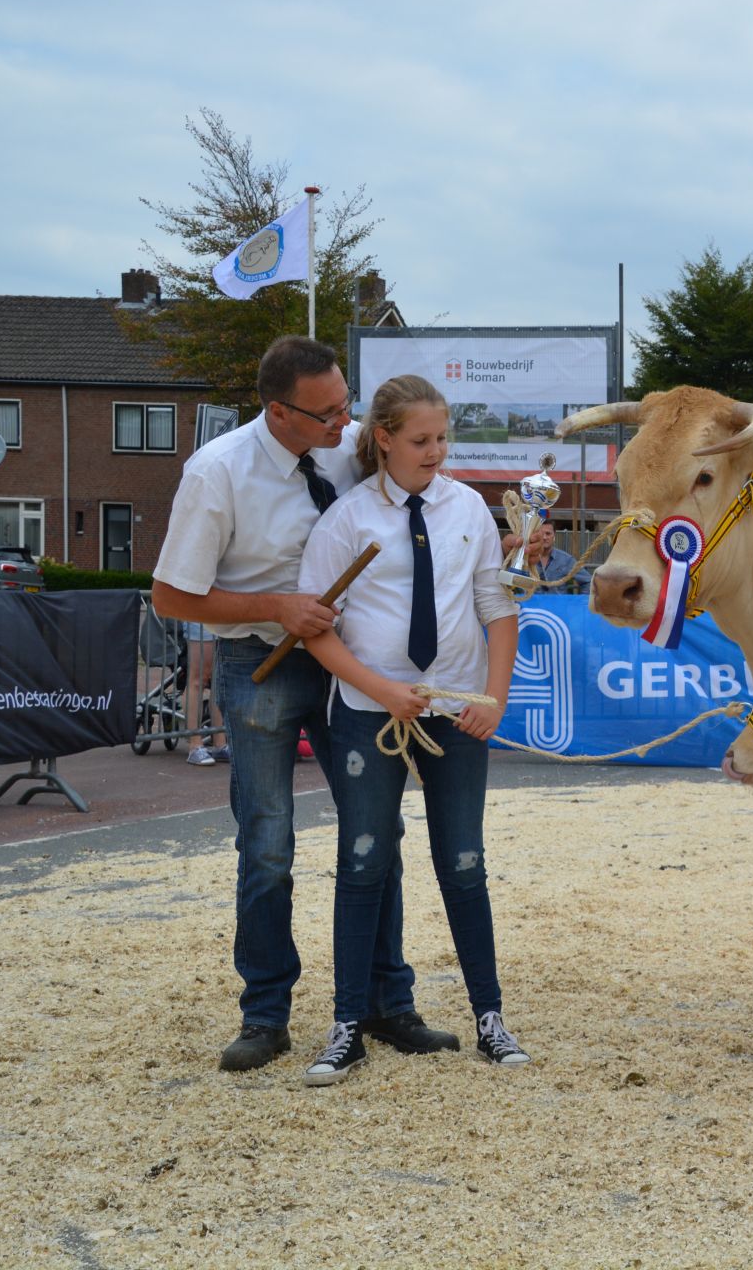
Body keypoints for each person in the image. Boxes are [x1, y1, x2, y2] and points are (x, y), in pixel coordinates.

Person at [152, 336, 453, 1071]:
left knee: (377, 835)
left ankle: (386, 1002)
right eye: (325, 414)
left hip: (356, 655)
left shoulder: (349, 444)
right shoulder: (216, 472)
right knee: (268, 842)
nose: (343, 426)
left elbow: (428, 493)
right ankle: (265, 1015)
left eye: (347, 406)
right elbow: (170, 595)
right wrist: (275, 607)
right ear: (277, 411)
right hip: (266, 660)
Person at [295, 374, 528, 1085]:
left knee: (464, 863)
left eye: (442, 439)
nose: (435, 452)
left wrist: (494, 695)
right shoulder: (347, 520)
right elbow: (317, 630)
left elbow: (496, 604)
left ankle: (490, 1017)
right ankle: (346, 1024)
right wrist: (381, 691)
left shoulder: (468, 508)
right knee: (362, 863)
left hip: (455, 710)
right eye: (421, 440)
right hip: (370, 717)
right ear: (385, 438)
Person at [181, 618, 229, 766]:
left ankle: (220, 744)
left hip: (221, 616)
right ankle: (195, 745)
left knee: (218, 678)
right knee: (199, 678)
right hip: (199, 616)